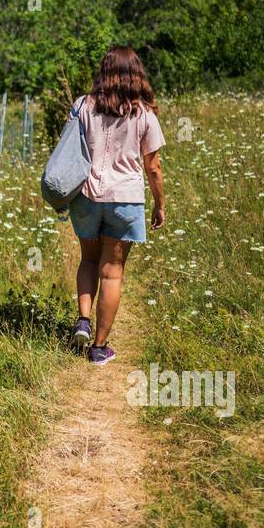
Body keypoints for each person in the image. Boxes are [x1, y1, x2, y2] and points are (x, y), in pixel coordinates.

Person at [68, 46, 166, 365]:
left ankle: (83, 319)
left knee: (87, 260)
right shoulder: (144, 114)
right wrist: (159, 205)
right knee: (112, 273)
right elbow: (153, 167)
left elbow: (67, 151)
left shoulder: (82, 106)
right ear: (136, 74)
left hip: (86, 195)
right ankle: (98, 348)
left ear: (104, 72)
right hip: (125, 199)